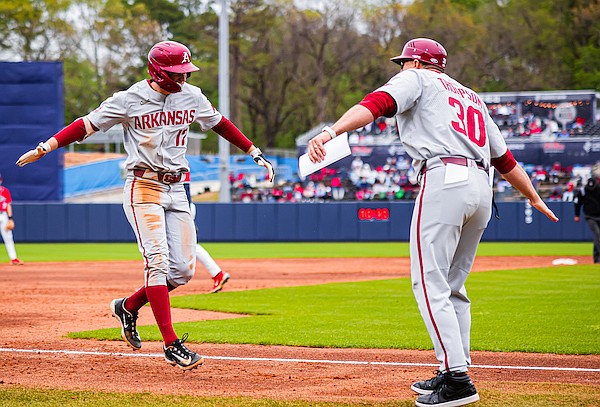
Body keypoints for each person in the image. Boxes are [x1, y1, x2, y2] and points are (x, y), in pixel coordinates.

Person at [307, 38, 558, 407]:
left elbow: (375, 105)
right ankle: (452, 367)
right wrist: (533, 196)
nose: (402, 67)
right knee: (453, 285)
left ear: (418, 62)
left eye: (405, 62)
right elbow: (504, 159)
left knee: (429, 282)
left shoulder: (418, 79)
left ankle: (457, 380)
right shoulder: (471, 95)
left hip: (444, 178)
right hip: (481, 186)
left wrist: (330, 132)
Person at [16, 40, 274, 370]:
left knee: (183, 271)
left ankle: (128, 305)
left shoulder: (191, 96)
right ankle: (171, 344)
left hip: (178, 187)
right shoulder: (130, 99)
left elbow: (219, 122)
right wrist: (46, 147)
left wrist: (254, 151)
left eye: (185, 72)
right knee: (158, 261)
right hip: (144, 185)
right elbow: (86, 124)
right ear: (156, 71)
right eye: (176, 73)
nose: (182, 79)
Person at [183, 172, 230, 293]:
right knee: (189, 245)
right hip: (183, 207)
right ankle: (217, 274)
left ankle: (156, 285)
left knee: (190, 245)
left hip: (181, 208)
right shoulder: (176, 160)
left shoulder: (175, 161)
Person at [574, 177, 600, 263]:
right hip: (590, 216)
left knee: (598, 237)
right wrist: (577, 215)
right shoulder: (583, 191)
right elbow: (577, 203)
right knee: (598, 235)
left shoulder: (599, 189)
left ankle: (596, 259)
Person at [0, 173, 24, 266]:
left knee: (8, 237)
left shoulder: (5, 191)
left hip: (3, 215)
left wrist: (10, 218)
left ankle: (13, 258)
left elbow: (8, 205)